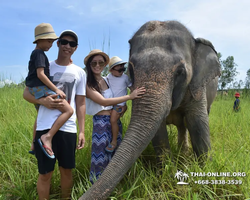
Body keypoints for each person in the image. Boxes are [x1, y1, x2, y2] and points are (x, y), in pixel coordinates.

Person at [23, 30, 86, 200]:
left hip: (68, 128)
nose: (67, 46)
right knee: (45, 174)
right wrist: (43, 102)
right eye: (64, 42)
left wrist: (81, 131)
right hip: (44, 126)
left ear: (76, 48)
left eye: (72, 44)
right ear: (57, 43)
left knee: (66, 170)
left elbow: (80, 103)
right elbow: (26, 94)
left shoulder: (80, 72)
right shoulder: (45, 66)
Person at [84, 49, 146, 183]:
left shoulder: (106, 80)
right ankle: (96, 187)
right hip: (101, 122)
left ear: (105, 65)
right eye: (93, 62)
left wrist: (124, 107)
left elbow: (117, 97)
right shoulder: (88, 83)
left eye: (100, 62)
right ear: (89, 65)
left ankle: (113, 184)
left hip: (114, 120)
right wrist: (130, 97)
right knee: (100, 154)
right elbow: (103, 101)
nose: (97, 65)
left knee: (115, 153)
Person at [25, 23, 73, 158]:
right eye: (49, 41)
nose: (51, 44)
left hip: (34, 89)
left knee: (40, 114)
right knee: (69, 110)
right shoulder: (39, 54)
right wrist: (56, 89)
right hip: (40, 88)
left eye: (52, 42)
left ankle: (34, 143)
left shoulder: (36, 53)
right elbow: (41, 74)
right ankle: (48, 137)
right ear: (40, 40)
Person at [105, 56, 132, 152]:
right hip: (111, 104)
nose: (122, 71)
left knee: (113, 121)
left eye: (123, 69)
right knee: (114, 121)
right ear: (111, 70)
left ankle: (114, 142)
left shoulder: (125, 78)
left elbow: (131, 87)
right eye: (119, 69)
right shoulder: (108, 78)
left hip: (119, 104)